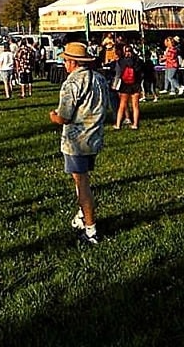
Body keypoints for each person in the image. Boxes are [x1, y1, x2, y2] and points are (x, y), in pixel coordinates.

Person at [49, 42, 110, 247]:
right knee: (83, 179)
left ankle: (90, 229)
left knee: (81, 183)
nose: (64, 64)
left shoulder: (72, 83)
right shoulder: (100, 79)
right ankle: (82, 215)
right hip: (95, 137)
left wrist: (53, 117)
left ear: (72, 62)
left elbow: (64, 116)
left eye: (65, 60)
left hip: (76, 141)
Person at [113, 43, 143, 129]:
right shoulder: (138, 61)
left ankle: (118, 125)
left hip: (125, 84)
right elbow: (141, 72)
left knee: (122, 105)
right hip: (135, 84)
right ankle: (135, 124)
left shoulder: (121, 61)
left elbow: (118, 74)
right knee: (135, 105)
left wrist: (114, 85)